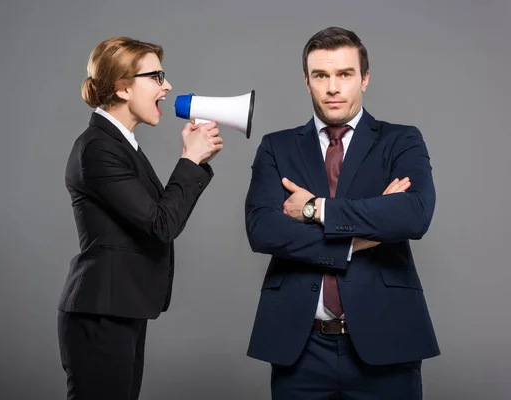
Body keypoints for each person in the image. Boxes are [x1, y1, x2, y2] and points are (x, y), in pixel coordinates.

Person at [244, 26, 439, 399]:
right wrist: (358, 239)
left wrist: (315, 208)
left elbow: (414, 214)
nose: (333, 87)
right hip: (299, 349)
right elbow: (263, 230)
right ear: (307, 81)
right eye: (321, 75)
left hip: (387, 341)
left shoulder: (401, 140)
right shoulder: (276, 147)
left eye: (345, 74)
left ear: (364, 78)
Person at [57, 37, 223, 400]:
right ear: (122, 87)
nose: (167, 86)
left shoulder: (118, 144)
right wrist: (190, 161)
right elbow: (162, 225)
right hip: (101, 313)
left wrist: (193, 160)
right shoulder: (98, 148)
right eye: (156, 76)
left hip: (119, 307)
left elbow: (160, 217)